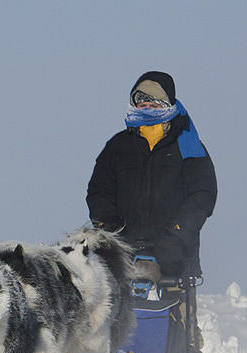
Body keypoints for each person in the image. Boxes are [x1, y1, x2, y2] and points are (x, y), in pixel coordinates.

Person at [86, 71, 217, 280]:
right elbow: (99, 191)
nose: (147, 110)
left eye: (154, 105)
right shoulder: (117, 146)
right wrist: (110, 232)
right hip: (122, 260)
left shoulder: (189, 147)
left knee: (173, 313)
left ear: (167, 106)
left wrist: (177, 234)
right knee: (119, 313)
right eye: (142, 105)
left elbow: (203, 195)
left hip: (175, 261)